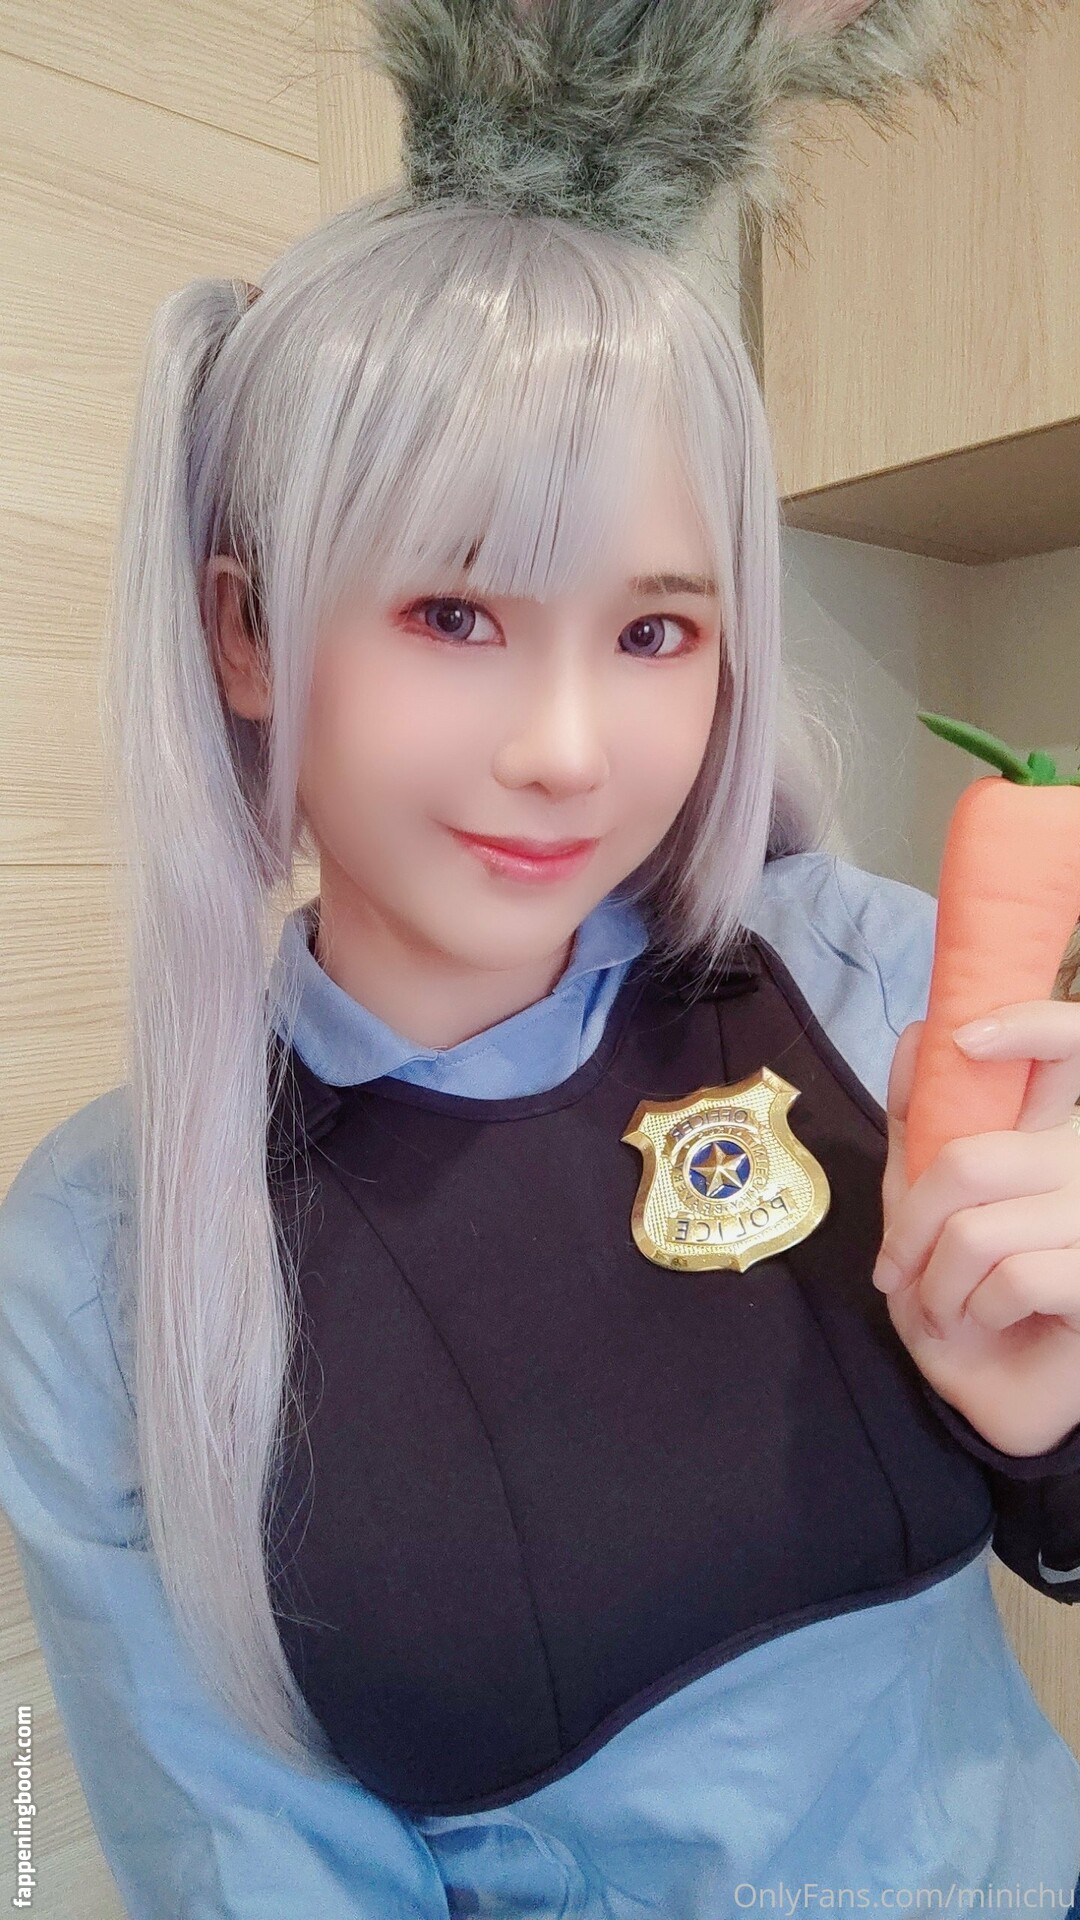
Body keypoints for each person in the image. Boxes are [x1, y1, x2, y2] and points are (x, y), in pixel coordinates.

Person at [2, 1, 1080, 1913]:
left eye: (655, 633)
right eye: (453, 610)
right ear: (245, 632)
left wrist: (1057, 1426)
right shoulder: (105, 1255)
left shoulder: (872, 985)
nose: (569, 750)